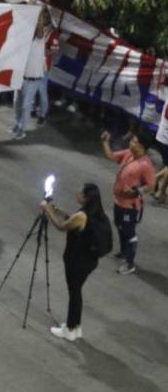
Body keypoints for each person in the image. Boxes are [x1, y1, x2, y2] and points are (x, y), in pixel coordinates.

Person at [42, 183, 104, 341]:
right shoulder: (95, 212)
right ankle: (76, 327)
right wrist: (62, 211)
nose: (77, 192)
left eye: (80, 191)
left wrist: (47, 210)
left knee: (74, 293)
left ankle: (69, 330)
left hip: (77, 261)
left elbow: (61, 227)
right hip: (89, 260)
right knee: (76, 292)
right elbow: (80, 224)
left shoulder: (81, 216)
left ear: (85, 197)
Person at [100, 129, 155, 274]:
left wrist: (136, 191)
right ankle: (124, 252)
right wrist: (105, 142)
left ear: (142, 147)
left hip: (130, 206)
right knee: (119, 226)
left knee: (129, 233)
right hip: (119, 201)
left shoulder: (145, 165)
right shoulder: (129, 154)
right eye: (132, 140)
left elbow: (151, 186)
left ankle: (129, 263)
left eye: (135, 142)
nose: (131, 143)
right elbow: (111, 155)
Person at [13, 10, 55, 139]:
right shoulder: (25, 39)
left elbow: (39, 28)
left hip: (34, 78)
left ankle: (22, 129)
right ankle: (17, 124)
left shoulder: (39, 38)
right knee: (17, 103)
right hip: (21, 76)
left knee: (26, 105)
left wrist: (37, 12)